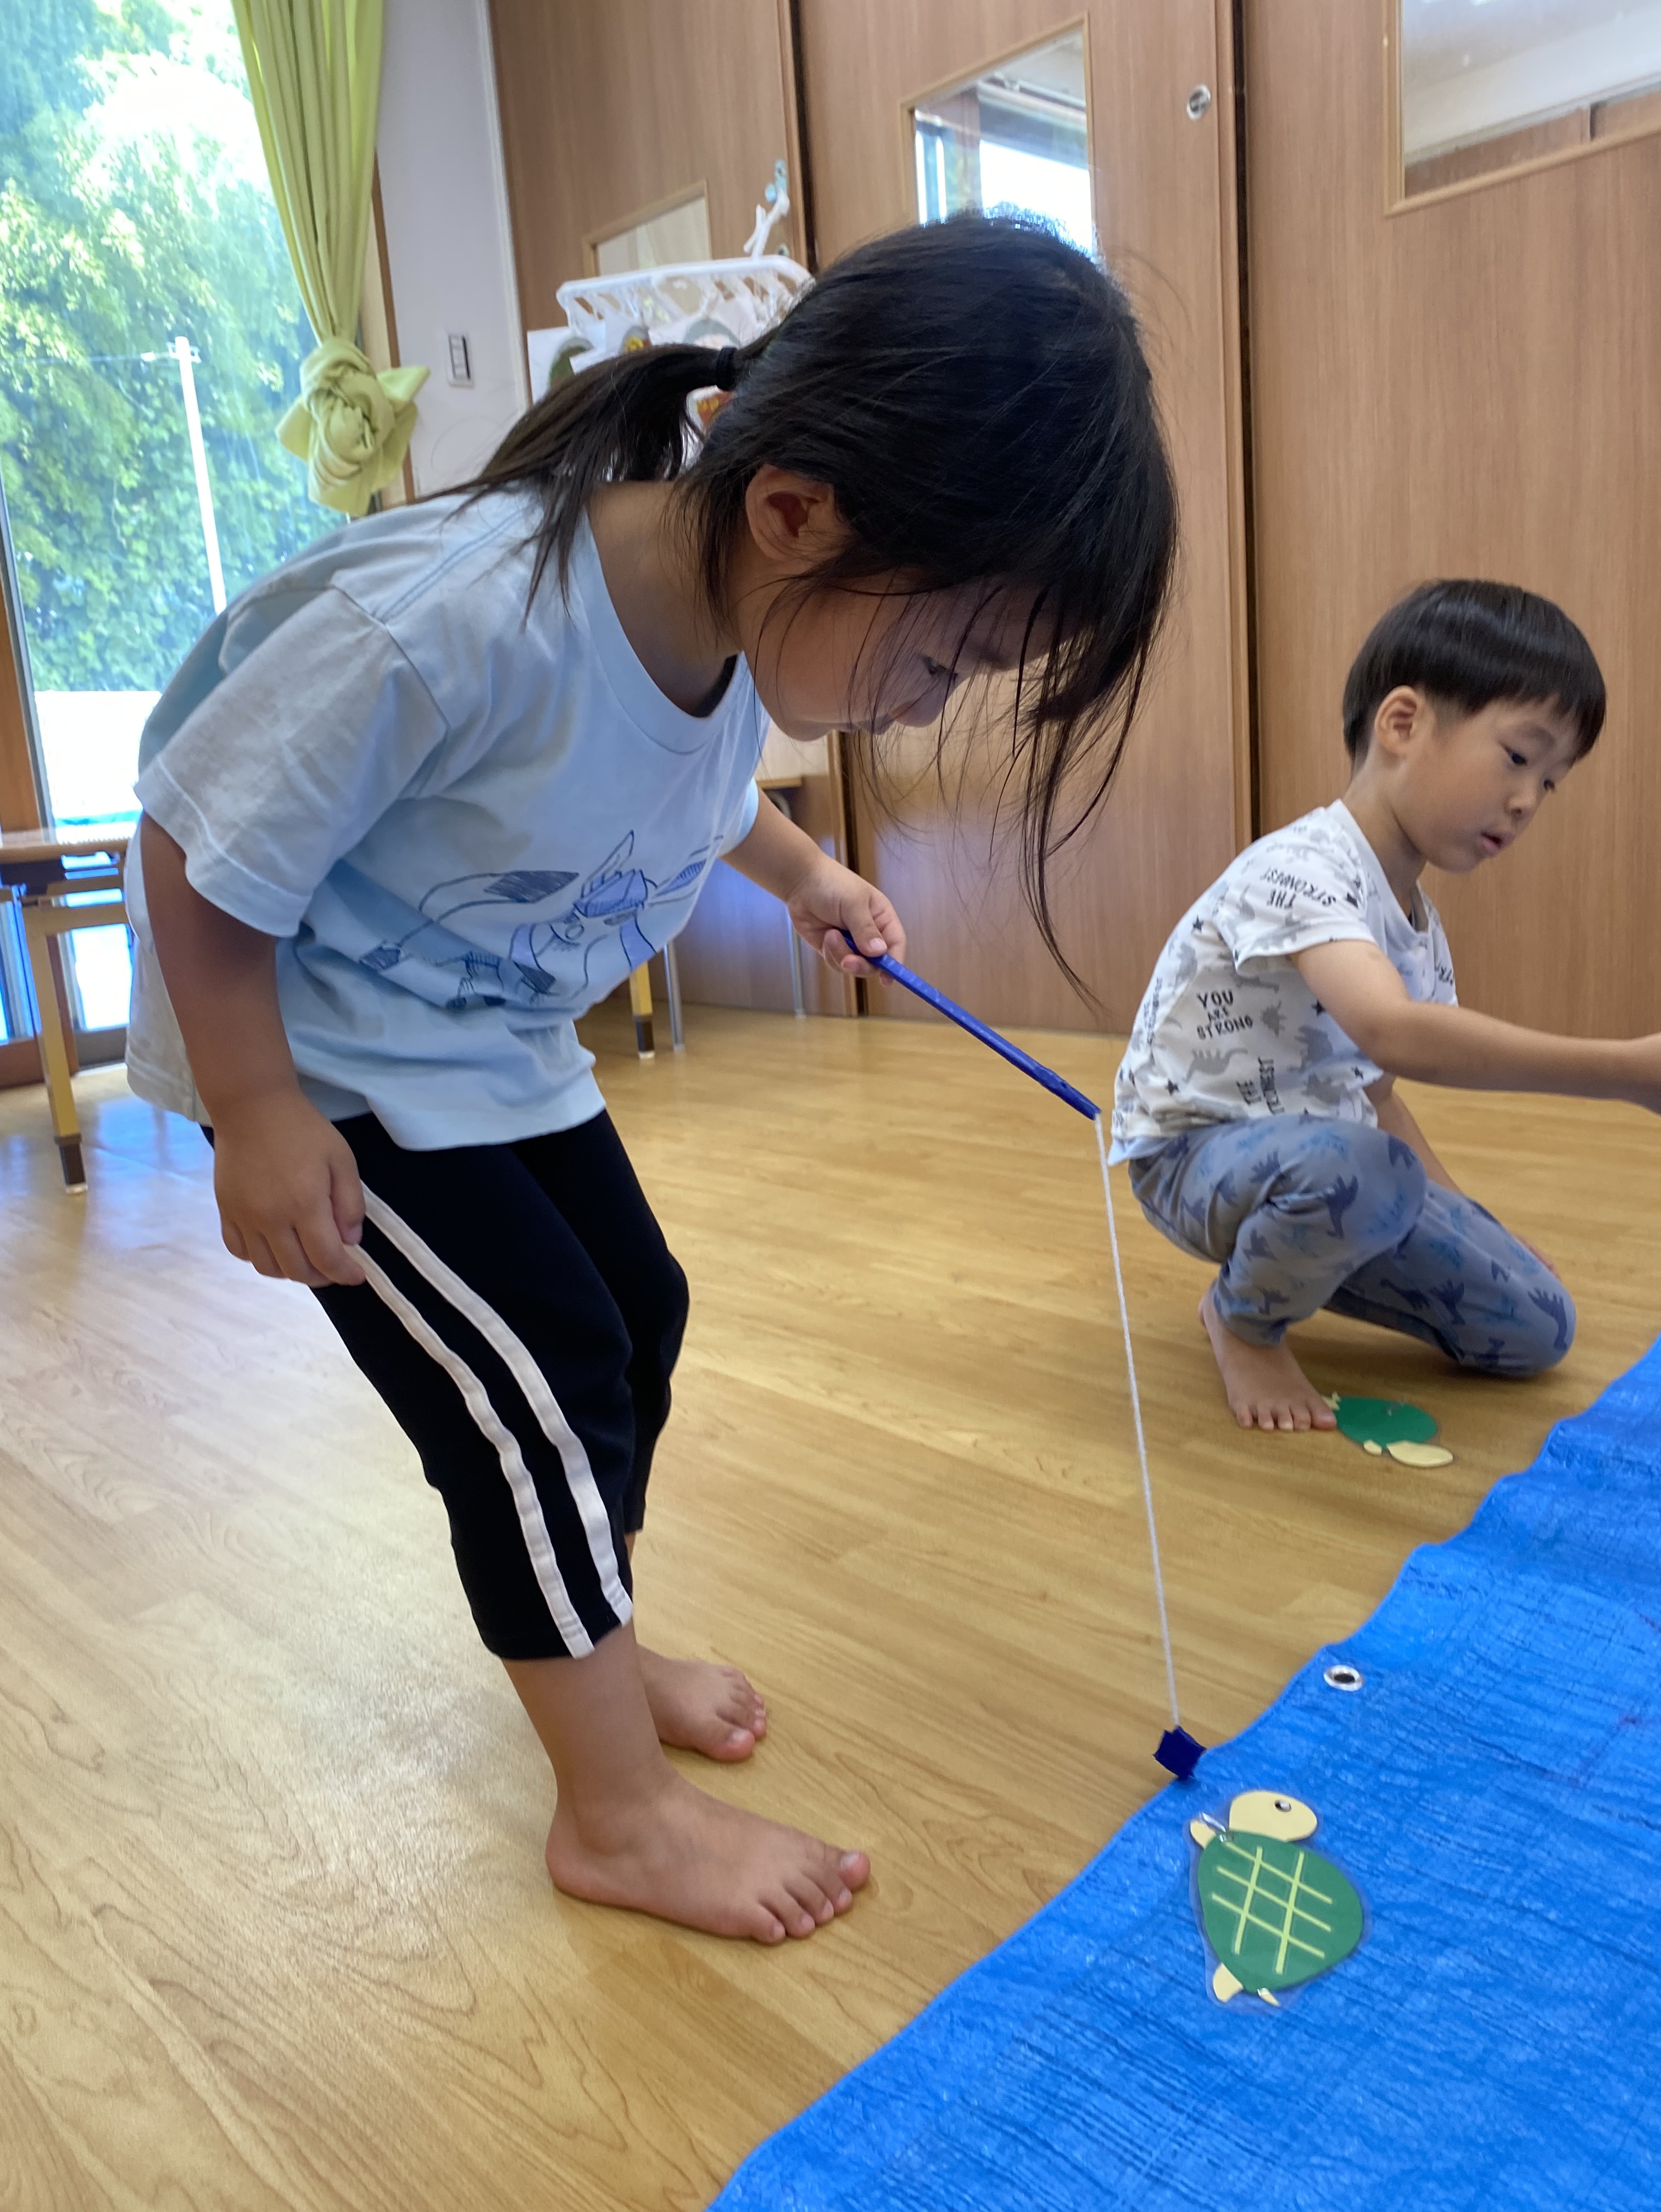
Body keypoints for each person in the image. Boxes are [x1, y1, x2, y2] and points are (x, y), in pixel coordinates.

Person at [126, 214, 1179, 1943]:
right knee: (533, 1390)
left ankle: (594, 1650)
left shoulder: (727, 616)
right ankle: (614, 1815)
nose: (927, 708)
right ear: (796, 513)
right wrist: (253, 1112)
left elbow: (689, 777)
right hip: (326, 1056)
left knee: (635, 1316)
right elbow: (197, 837)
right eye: (943, 660)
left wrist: (805, 874)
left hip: (488, 1044)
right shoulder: (450, 619)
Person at [1112, 578, 1660, 1434]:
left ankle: (1297, 1256)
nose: (1527, 801)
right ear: (1402, 724)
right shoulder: (1301, 866)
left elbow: (1376, 1092)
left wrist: (1473, 1220)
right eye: (1520, 757)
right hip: (1194, 1157)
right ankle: (1242, 1320)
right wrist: (1625, 1071)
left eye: (1551, 783)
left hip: (1332, 1164)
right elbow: (1393, 1034)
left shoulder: (1416, 927)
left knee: (1538, 1325)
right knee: (1369, 1172)